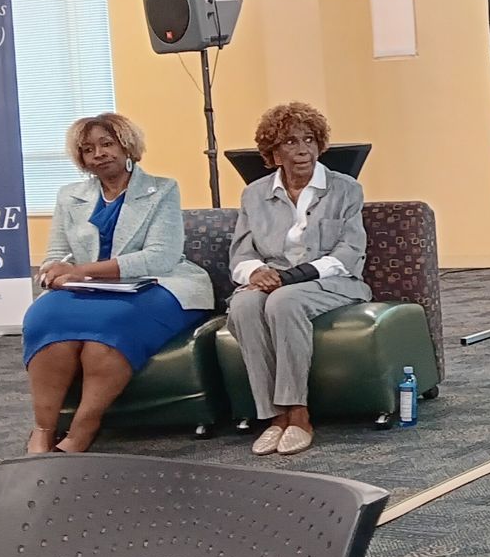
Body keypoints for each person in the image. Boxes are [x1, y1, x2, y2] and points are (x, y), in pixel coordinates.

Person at [22, 113, 213, 453]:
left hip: (159, 284)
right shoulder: (70, 196)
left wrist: (83, 271)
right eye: (88, 149)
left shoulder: (162, 189)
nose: (99, 153)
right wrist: (53, 268)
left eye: (107, 144)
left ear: (126, 147)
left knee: (109, 328)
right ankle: (43, 429)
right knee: (42, 317)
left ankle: (83, 429)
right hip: (90, 288)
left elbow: (160, 257)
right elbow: (58, 253)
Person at [227, 102, 371, 458]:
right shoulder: (254, 194)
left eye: (309, 139)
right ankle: (274, 417)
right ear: (273, 152)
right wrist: (256, 273)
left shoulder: (345, 189)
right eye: (290, 142)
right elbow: (241, 255)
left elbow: (348, 254)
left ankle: (299, 414)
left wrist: (291, 277)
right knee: (244, 304)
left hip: (332, 281)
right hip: (274, 280)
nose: (303, 149)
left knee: (284, 300)